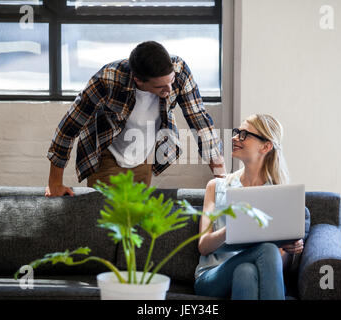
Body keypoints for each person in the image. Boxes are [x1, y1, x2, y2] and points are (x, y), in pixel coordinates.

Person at [45, 41, 226, 197]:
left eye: (170, 81)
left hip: (143, 156)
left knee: (136, 225)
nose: (170, 90)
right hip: (107, 156)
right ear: (139, 81)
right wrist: (55, 183)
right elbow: (68, 127)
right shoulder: (108, 79)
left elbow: (200, 122)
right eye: (161, 86)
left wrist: (222, 179)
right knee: (107, 226)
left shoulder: (179, 71)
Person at [194, 114, 304, 300]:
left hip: (252, 273)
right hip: (212, 276)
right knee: (267, 249)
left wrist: (288, 249)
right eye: (237, 132)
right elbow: (203, 247)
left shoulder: (278, 194)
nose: (235, 138)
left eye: (244, 134)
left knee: (245, 272)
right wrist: (234, 229)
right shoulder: (216, 186)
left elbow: (276, 265)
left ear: (266, 146)